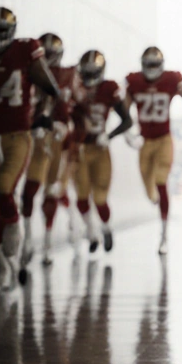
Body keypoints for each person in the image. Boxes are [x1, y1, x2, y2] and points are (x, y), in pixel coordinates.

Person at [0, 7, 59, 296]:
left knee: (4, 189)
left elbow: (50, 88)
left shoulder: (26, 51)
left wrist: (44, 116)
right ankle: (2, 266)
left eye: (2, 31)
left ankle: (17, 229)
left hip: (18, 135)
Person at [125, 46, 182, 255]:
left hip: (164, 140)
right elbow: (124, 109)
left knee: (160, 181)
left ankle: (164, 235)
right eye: (147, 65)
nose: (150, 69)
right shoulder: (134, 82)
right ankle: (157, 205)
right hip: (145, 142)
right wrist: (128, 132)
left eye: (153, 65)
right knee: (150, 192)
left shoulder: (171, 80)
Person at [21, 33, 78, 267]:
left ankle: (46, 243)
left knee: (52, 191)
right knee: (29, 191)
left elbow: (77, 109)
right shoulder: (27, 71)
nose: (50, 61)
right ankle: (27, 241)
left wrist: (68, 128)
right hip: (30, 135)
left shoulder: (68, 76)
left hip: (56, 137)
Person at [72, 50, 133, 254]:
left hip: (99, 149)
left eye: (92, 73)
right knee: (81, 197)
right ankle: (91, 231)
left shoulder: (109, 88)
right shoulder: (73, 86)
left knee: (99, 198)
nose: (88, 78)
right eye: (85, 73)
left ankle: (105, 228)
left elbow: (127, 120)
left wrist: (110, 135)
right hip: (78, 148)